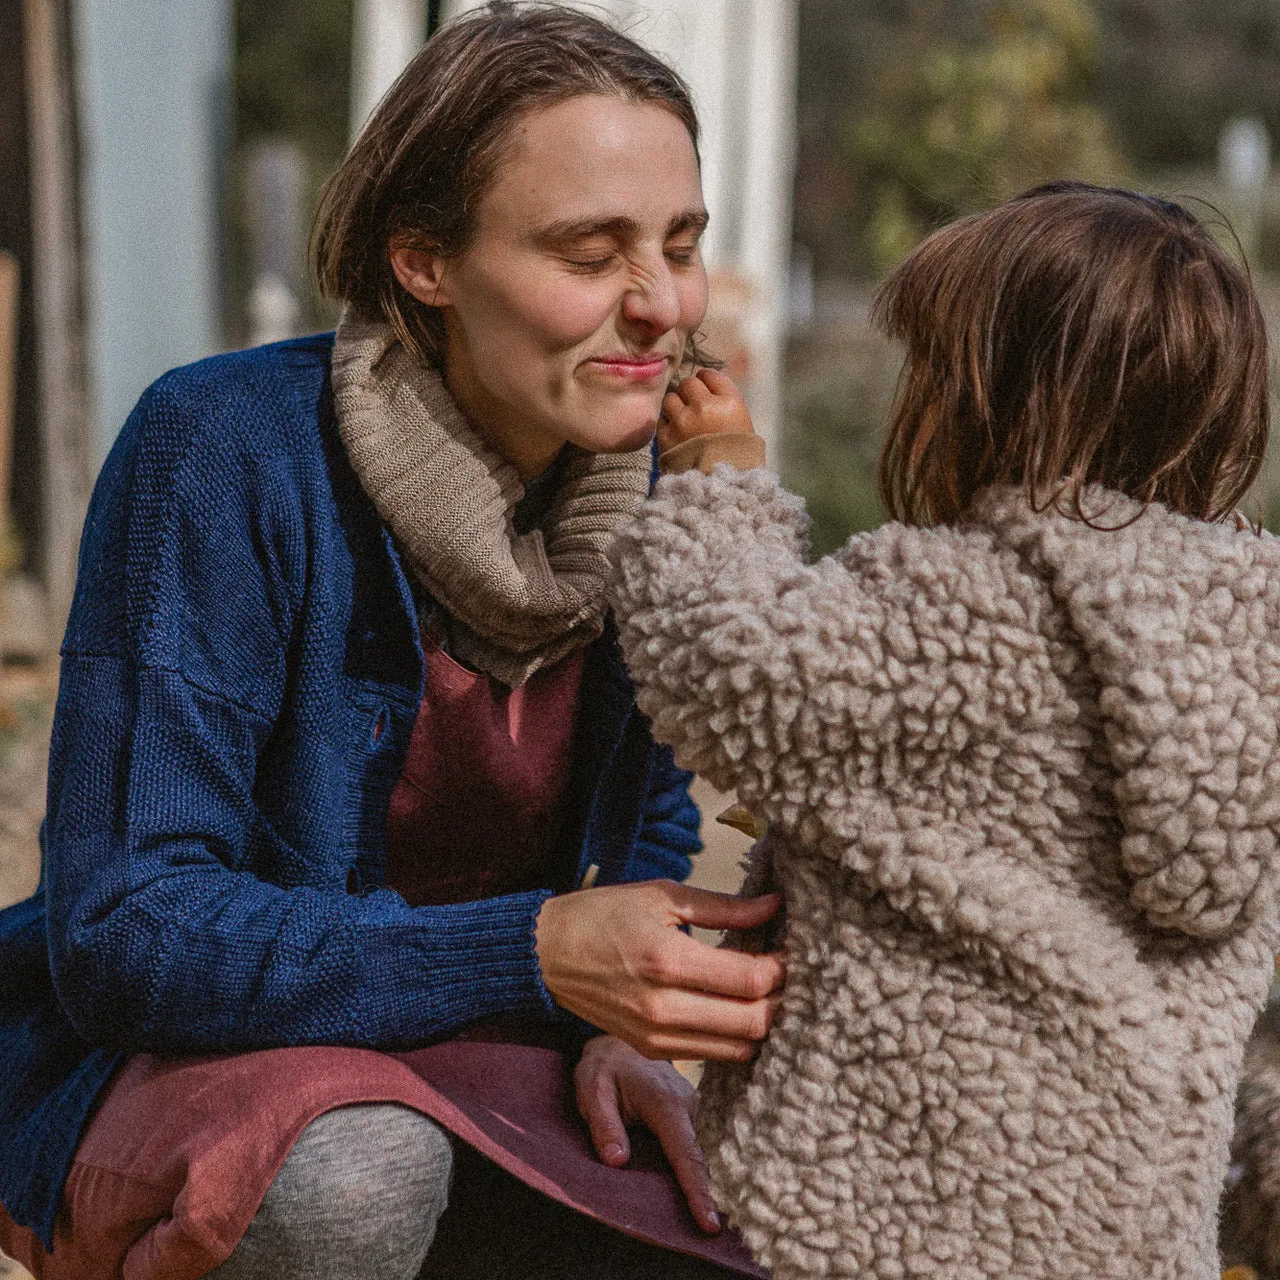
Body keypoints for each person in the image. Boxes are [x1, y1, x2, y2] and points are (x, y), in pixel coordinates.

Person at [0, 5, 784, 1278]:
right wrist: (534, 952)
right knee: (355, 1180)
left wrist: (618, 1030)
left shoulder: (660, 496)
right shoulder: (223, 450)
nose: (659, 306)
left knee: (758, 1220)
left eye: (679, 246)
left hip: (491, 1054)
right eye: (590, 252)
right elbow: (124, 929)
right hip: (190, 1066)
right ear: (425, 262)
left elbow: (641, 822)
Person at [607, 181, 1280, 1280]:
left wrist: (717, 478)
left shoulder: (963, 604)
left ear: (991, 402)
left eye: (926, 369)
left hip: (892, 1221)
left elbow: (723, 663)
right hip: (1128, 1229)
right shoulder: (1247, 638)